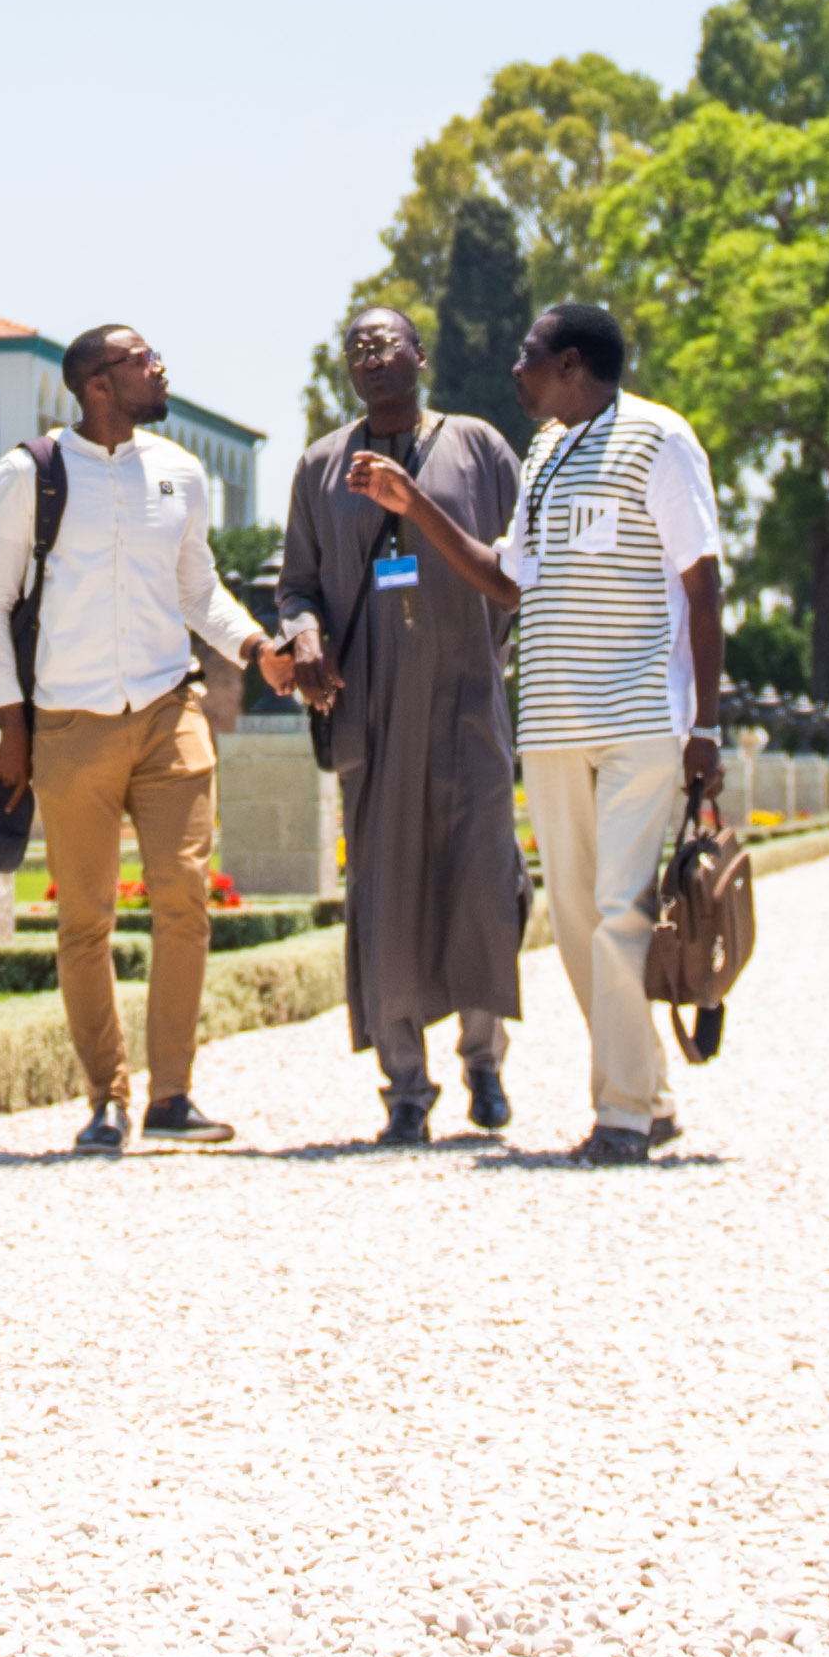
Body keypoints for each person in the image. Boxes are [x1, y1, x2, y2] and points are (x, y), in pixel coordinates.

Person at [0, 321, 268, 1154]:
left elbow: (198, 588)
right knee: (85, 920)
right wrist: (12, 729)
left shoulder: (180, 471)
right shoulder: (32, 474)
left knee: (184, 897)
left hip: (172, 713)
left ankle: (172, 1095)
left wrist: (256, 647)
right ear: (99, 382)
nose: (159, 366)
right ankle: (106, 1097)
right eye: (142, 359)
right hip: (70, 726)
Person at [432, 302, 725, 1163]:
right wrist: (413, 503)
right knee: (571, 921)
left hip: (639, 719)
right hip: (553, 724)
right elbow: (508, 578)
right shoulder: (547, 451)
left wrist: (704, 723)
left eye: (527, 358)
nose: (514, 372)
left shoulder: (660, 439)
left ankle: (624, 1115)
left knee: (619, 915)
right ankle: (652, 1093)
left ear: (568, 363)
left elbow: (703, 584)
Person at [276, 303, 528, 1146]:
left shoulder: (481, 447)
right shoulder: (321, 465)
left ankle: (484, 1062)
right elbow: (296, 587)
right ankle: (406, 1089)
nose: (371, 356)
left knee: (483, 881)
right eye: (356, 347)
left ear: (420, 353)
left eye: (385, 343)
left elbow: (519, 564)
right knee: (384, 894)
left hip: (465, 697)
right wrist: (304, 635)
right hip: (375, 710)